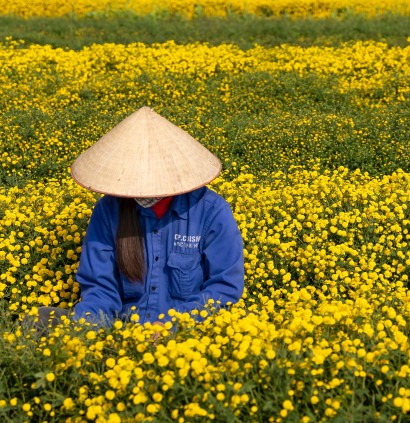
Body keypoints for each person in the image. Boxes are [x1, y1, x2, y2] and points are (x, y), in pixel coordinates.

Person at [23, 106, 244, 334]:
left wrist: (173, 325)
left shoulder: (211, 212)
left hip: (188, 335)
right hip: (124, 329)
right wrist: (87, 329)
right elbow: (100, 288)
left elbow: (224, 287)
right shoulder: (109, 210)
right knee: (38, 319)